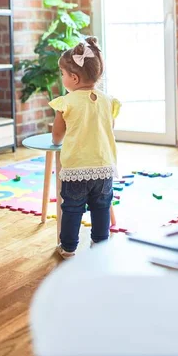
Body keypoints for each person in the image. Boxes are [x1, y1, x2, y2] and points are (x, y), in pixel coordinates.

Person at [49, 37, 120, 259]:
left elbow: (58, 134)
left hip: (76, 168)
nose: (62, 79)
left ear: (74, 77)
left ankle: (69, 248)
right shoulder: (108, 101)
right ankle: (100, 243)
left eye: (62, 74)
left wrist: (57, 143)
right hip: (103, 166)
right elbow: (109, 127)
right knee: (101, 206)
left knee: (72, 207)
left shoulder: (66, 103)